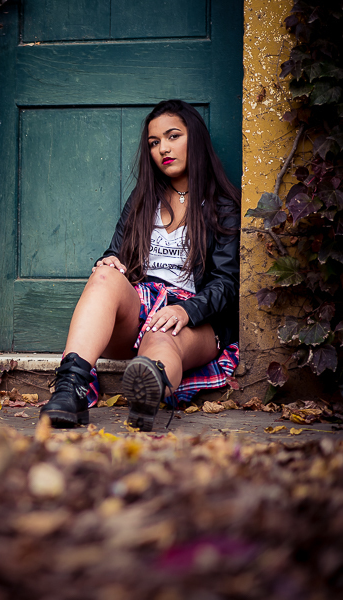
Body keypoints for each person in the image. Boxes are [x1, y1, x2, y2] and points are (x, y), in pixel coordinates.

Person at [40, 99, 241, 431]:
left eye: (173, 136)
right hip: (140, 306)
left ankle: (147, 393)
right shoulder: (143, 198)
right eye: (154, 142)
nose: (163, 148)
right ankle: (70, 389)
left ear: (196, 139)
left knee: (161, 342)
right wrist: (108, 261)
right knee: (105, 275)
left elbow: (226, 283)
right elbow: (116, 253)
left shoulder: (224, 205)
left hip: (195, 318)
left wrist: (187, 311)